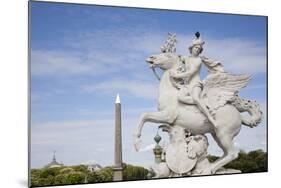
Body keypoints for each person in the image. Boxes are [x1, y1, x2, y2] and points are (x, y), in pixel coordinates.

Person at [170, 32, 224, 128]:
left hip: (196, 84)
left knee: (196, 98)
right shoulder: (185, 58)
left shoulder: (198, 60)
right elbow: (175, 60)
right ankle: (202, 104)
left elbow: (191, 72)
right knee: (179, 98)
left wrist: (177, 75)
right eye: (196, 48)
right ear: (191, 48)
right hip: (187, 85)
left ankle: (211, 119)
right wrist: (169, 49)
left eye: (199, 49)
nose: (197, 50)